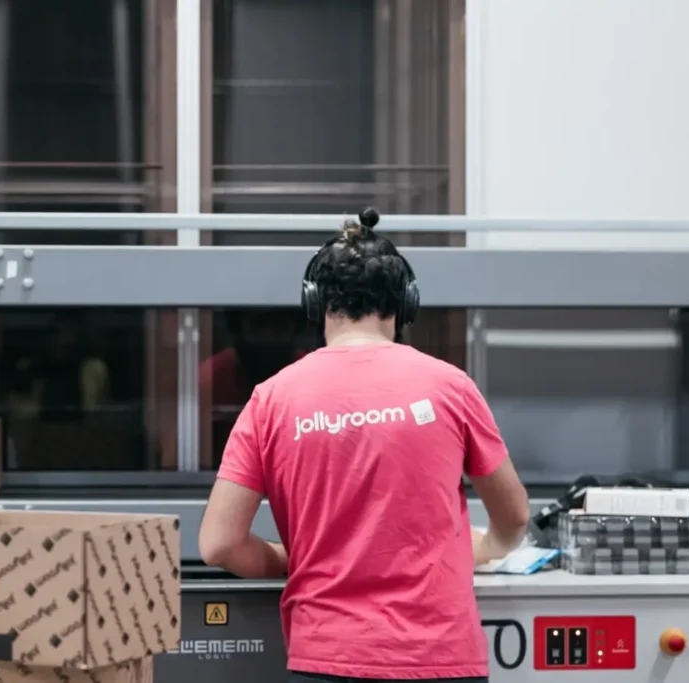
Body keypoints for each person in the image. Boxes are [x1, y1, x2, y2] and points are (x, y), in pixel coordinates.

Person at [197, 208, 530, 682]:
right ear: (406, 305)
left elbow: (218, 544)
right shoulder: (450, 387)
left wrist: (297, 556)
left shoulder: (271, 398)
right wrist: (488, 546)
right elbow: (515, 516)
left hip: (326, 658)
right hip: (439, 660)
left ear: (314, 304)